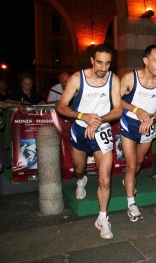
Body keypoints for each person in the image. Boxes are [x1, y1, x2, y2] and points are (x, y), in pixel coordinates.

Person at [57, 44, 123, 239]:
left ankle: (102, 218)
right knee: (79, 169)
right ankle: (80, 180)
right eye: (100, 62)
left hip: (102, 131)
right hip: (79, 129)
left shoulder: (113, 79)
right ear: (92, 61)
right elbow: (61, 106)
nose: (103, 68)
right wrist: (83, 116)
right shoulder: (77, 79)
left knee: (104, 178)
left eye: (108, 63)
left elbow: (118, 109)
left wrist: (98, 120)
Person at [119, 45, 156, 221]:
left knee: (140, 160)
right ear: (146, 61)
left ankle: (129, 180)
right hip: (129, 124)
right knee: (131, 164)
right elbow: (116, 101)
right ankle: (131, 204)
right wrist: (136, 110)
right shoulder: (129, 78)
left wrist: (151, 117)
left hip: (148, 125)